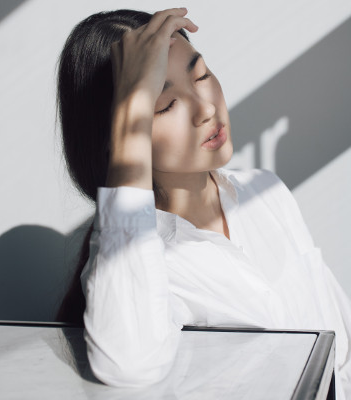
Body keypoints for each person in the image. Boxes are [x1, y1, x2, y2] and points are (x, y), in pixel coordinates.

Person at [56, 7, 351, 398]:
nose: (206, 108)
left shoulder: (266, 192)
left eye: (202, 75)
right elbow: (129, 366)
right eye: (163, 105)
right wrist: (131, 114)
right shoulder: (145, 262)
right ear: (119, 133)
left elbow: (338, 349)